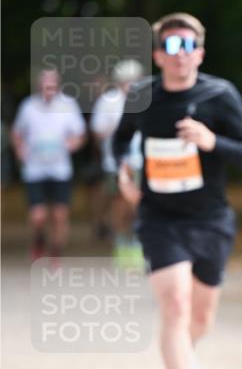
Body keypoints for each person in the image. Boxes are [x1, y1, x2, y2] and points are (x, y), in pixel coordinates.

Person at [112, 12, 242, 369]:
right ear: (158, 55)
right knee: (176, 306)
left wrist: (211, 140)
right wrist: (124, 172)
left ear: (199, 52)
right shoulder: (142, 96)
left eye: (188, 47)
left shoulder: (220, 95)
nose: (180, 56)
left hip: (211, 219)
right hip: (160, 219)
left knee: (200, 315)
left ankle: (181, 357)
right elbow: (119, 141)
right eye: (171, 47)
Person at [11, 69, 87, 263]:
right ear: (39, 87)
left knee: (60, 214)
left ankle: (56, 251)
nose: (48, 91)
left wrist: (73, 144)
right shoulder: (28, 106)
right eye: (45, 87)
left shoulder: (68, 105)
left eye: (52, 87)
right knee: (38, 215)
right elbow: (17, 133)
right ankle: (38, 240)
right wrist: (20, 150)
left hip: (60, 168)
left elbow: (79, 134)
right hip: (35, 168)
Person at [91, 59, 145, 263]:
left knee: (139, 203)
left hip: (141, 161)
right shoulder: (108, 101)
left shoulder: (144, 100)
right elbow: (97, 132)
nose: (130, 84)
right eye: (126, 80)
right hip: (116, 163)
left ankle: (139, 241)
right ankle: (121, 241)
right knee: (119, 203)